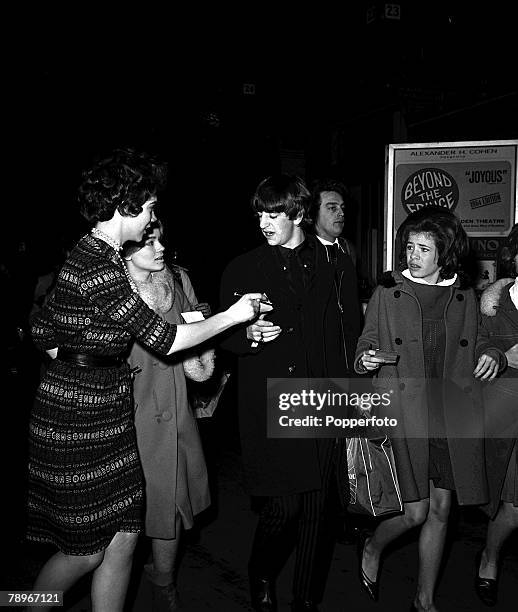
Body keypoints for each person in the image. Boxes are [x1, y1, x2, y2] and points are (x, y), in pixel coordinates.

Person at [26, 147, 268, 612]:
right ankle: (17, 603)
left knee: (124, 538)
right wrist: (236, 315)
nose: (154, 219)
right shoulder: (98, 264)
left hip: (107, 413)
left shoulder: (103, 256)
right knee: (85, 551)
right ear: (127, 206)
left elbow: (42, 328)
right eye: (151, 207)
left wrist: (76, 354)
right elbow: (167, 339)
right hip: (79, 423)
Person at [219, 174, 361, 612]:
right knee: (284, 509)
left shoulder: (335, 263)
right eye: (259, 213)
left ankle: (306, 600)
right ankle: (261, 574)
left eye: (274, 213)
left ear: (298, 213)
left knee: (318, 514)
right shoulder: (243, 266)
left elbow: (349, 329)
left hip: (321, 398)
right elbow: (224, 336)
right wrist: (248, 334)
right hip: (271, 400)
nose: (264, 222)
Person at [354, 207, 505, 612]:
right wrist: (367, 358)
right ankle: (373, 544)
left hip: (451, 412)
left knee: (441, 508)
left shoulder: (464, 296)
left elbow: (479, 342)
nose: (412, 256)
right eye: (409, 247)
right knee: (414, 512)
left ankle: (424, 601)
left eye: (423, 248)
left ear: (445, 254)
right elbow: (365, 342)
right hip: (407, 411)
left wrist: (492, 354)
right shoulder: (388, 290)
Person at [123, 222, 214, 612]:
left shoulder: (177, 279)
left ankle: (164, 580)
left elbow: (197, 331)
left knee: (174, 505)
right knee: (124, 519)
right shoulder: (108, 287)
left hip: (174, 406)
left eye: (161, 237)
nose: (161, 247)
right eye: (149, 240)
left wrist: (205, 344)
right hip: (128, 412)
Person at [475, 222, 518, 607]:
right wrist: (491, 354)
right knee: (503, 496)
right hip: (504, 407)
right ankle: (490, 555)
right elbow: (479, 343)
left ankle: (490, 556)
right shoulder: (494, 302)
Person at [307, 178, 357, 267]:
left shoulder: (347, 248)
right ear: (314, 211)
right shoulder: (303, 251)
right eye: (332, 208)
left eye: (343, 208)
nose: (342, 213)